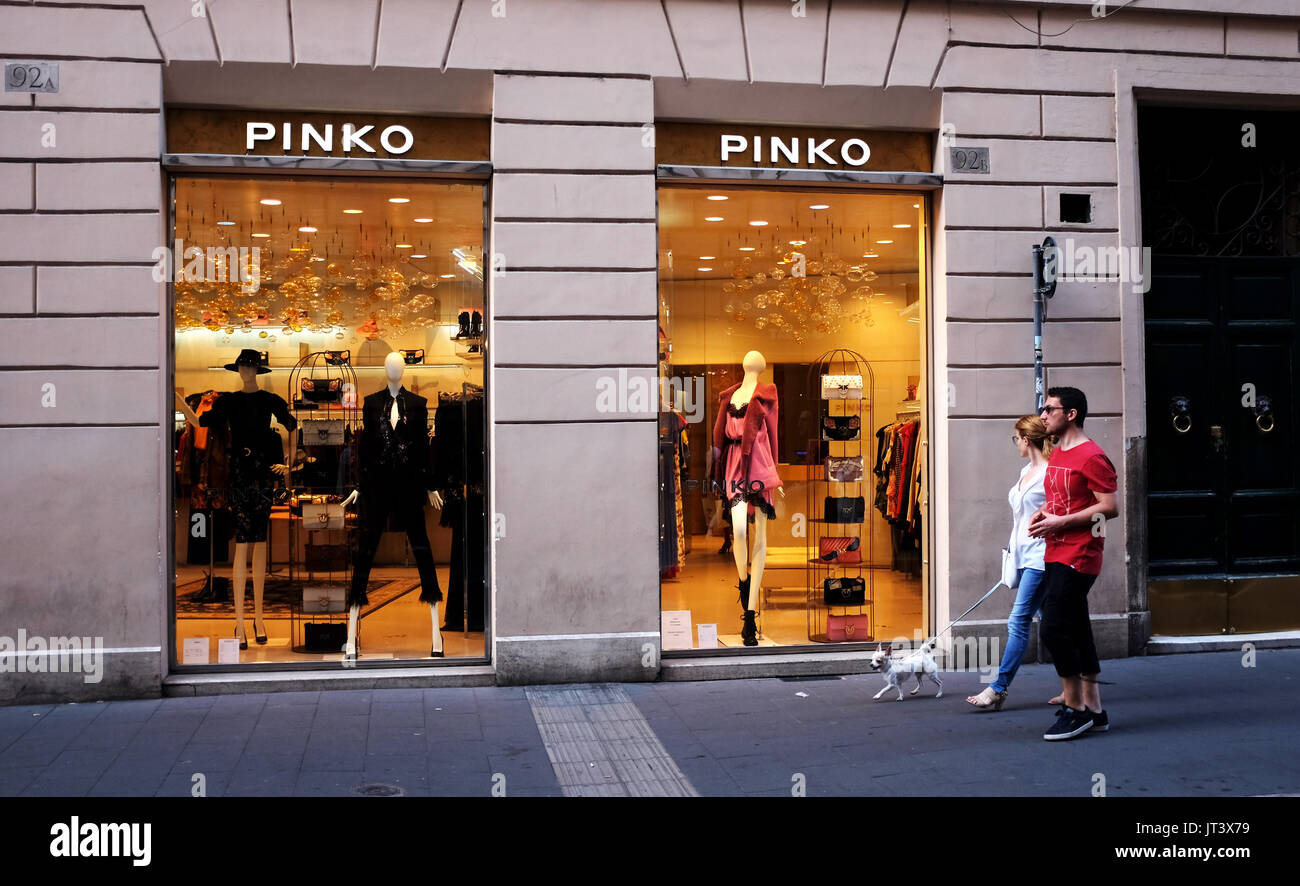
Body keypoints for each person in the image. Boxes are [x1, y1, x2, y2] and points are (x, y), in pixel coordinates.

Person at [1028, 386, 1119, 741]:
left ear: (1071, 414)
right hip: (1054, 550)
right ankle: (1095, 709)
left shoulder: (1091, 455)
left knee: (1053, 628)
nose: (1043, 414)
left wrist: (1061, 522)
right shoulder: (1059, 453)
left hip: (1080, 554)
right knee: (1077, 626)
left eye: (1049, 409)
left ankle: (1075, 707)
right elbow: (1061, 498)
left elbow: (1108, 507)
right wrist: (1045, 512)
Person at [966, 415, 1052, 710]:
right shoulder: (1025, 470)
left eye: (1016, 438)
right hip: (1021, 553)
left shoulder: (1050, 474)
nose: (1015, 443)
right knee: (1055, 623)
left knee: (1018, 620)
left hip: (1041, 556)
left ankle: (998, 687)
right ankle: (1079, 680)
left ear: (1026, 440)